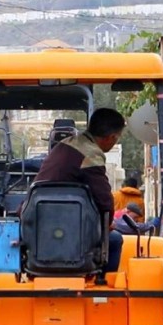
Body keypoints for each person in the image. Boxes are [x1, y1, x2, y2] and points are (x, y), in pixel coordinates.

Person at [34, 107, 126, 272]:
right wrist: (106, 225)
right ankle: (103, 289)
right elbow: (104, 202)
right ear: (111, 138)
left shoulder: (64, 144)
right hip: (66, 229)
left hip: (36, 224)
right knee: (115, 240)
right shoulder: (91, 155)